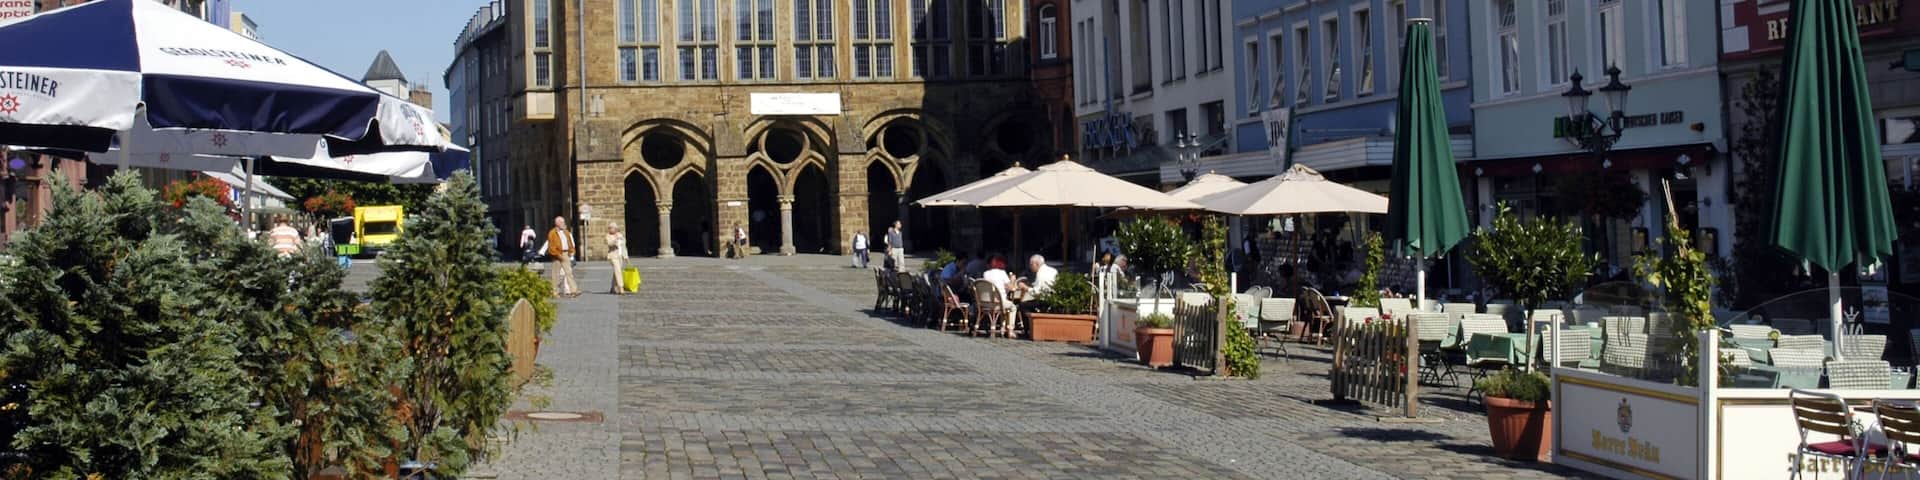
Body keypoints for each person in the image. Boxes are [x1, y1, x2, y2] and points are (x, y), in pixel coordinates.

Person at [547, 216, 580, 297]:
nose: (564, 224)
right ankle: (555, 292)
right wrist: (558, 255)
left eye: (564, 222)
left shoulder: (566, 232)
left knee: (569, 272)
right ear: (557, 223)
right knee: (556, 274)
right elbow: (551, 246)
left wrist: (572, 251)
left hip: (565, 254)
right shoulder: (552, 233)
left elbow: (569, 242)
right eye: (562, 222)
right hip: (557, 255)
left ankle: (574, 290)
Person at [606, 222, 629, 294]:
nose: (610, 229)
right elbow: (609, 244)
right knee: (618, 270)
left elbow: (623, 247)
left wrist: (625, 256)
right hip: (612, 256)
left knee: (616, 271)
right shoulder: (608, 236)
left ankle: (613, 288)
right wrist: (615, 239)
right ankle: (621, 287)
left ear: (615, 229)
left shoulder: (620, 235)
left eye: (611, 228)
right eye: (609, 228)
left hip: (620, 256)